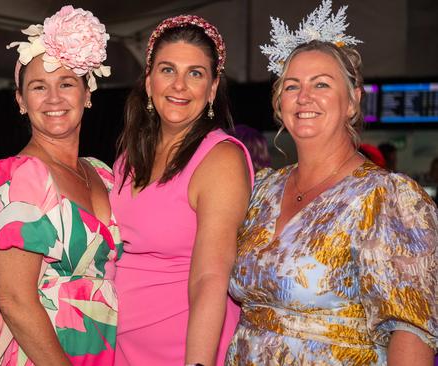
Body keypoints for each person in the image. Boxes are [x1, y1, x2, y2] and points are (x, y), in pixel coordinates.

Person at [227, 1, 438, 364]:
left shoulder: (388, 198)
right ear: (279, 104)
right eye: (292, 86)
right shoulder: (260, 190)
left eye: (321, 84)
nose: (304, 96)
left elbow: (412, 332)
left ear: (353, 101)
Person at [0, 6, 119, 365]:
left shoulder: (102, 173)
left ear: (87, 93)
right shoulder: (18, 176)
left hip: (100, 350)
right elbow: (14, 301)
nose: (54, 99)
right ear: (21, 101)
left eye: (66, 84)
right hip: (36, 355)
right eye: (39, 87)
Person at [111, 15, 254, 365]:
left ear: (213, 87)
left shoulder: (220, 159)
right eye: (167, 70)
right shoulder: (129, 156)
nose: (179, 85)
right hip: (121, 347)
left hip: (183, 348)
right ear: (148, 81)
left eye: (195, 73)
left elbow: (210, 278)